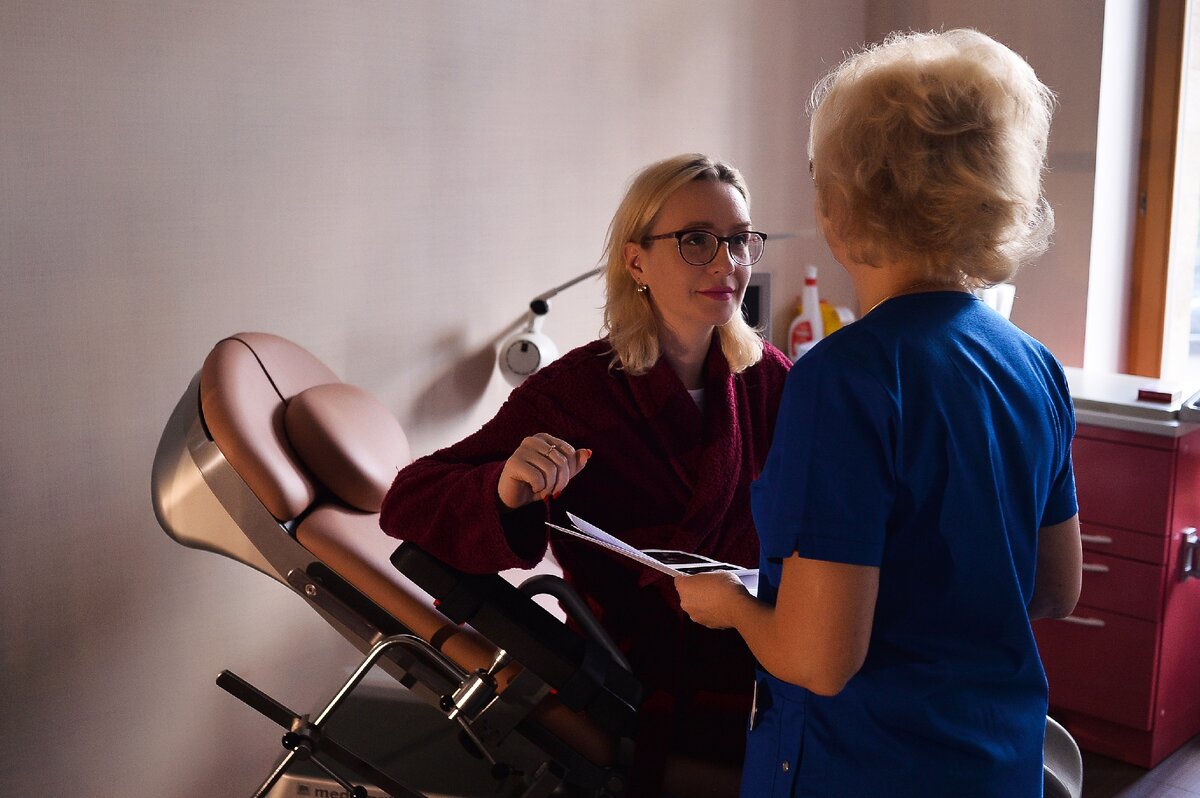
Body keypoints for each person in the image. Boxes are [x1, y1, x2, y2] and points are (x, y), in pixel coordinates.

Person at [675, 30, 1083, 797]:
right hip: (996, 767)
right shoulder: (1035, 366)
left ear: (843, 199)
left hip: (863, 769)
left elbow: (820, 662)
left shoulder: (844, 379)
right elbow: (1055, 588)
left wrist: (730, 605)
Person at [380, 153, 792, 794]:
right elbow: (409, 498)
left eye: (739, 241)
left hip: (764, 655)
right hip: (639, 680)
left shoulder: (769, 379)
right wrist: (503, 486)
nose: (726, 264)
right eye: (696, 241)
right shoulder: (576, 393)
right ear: (636, 262)